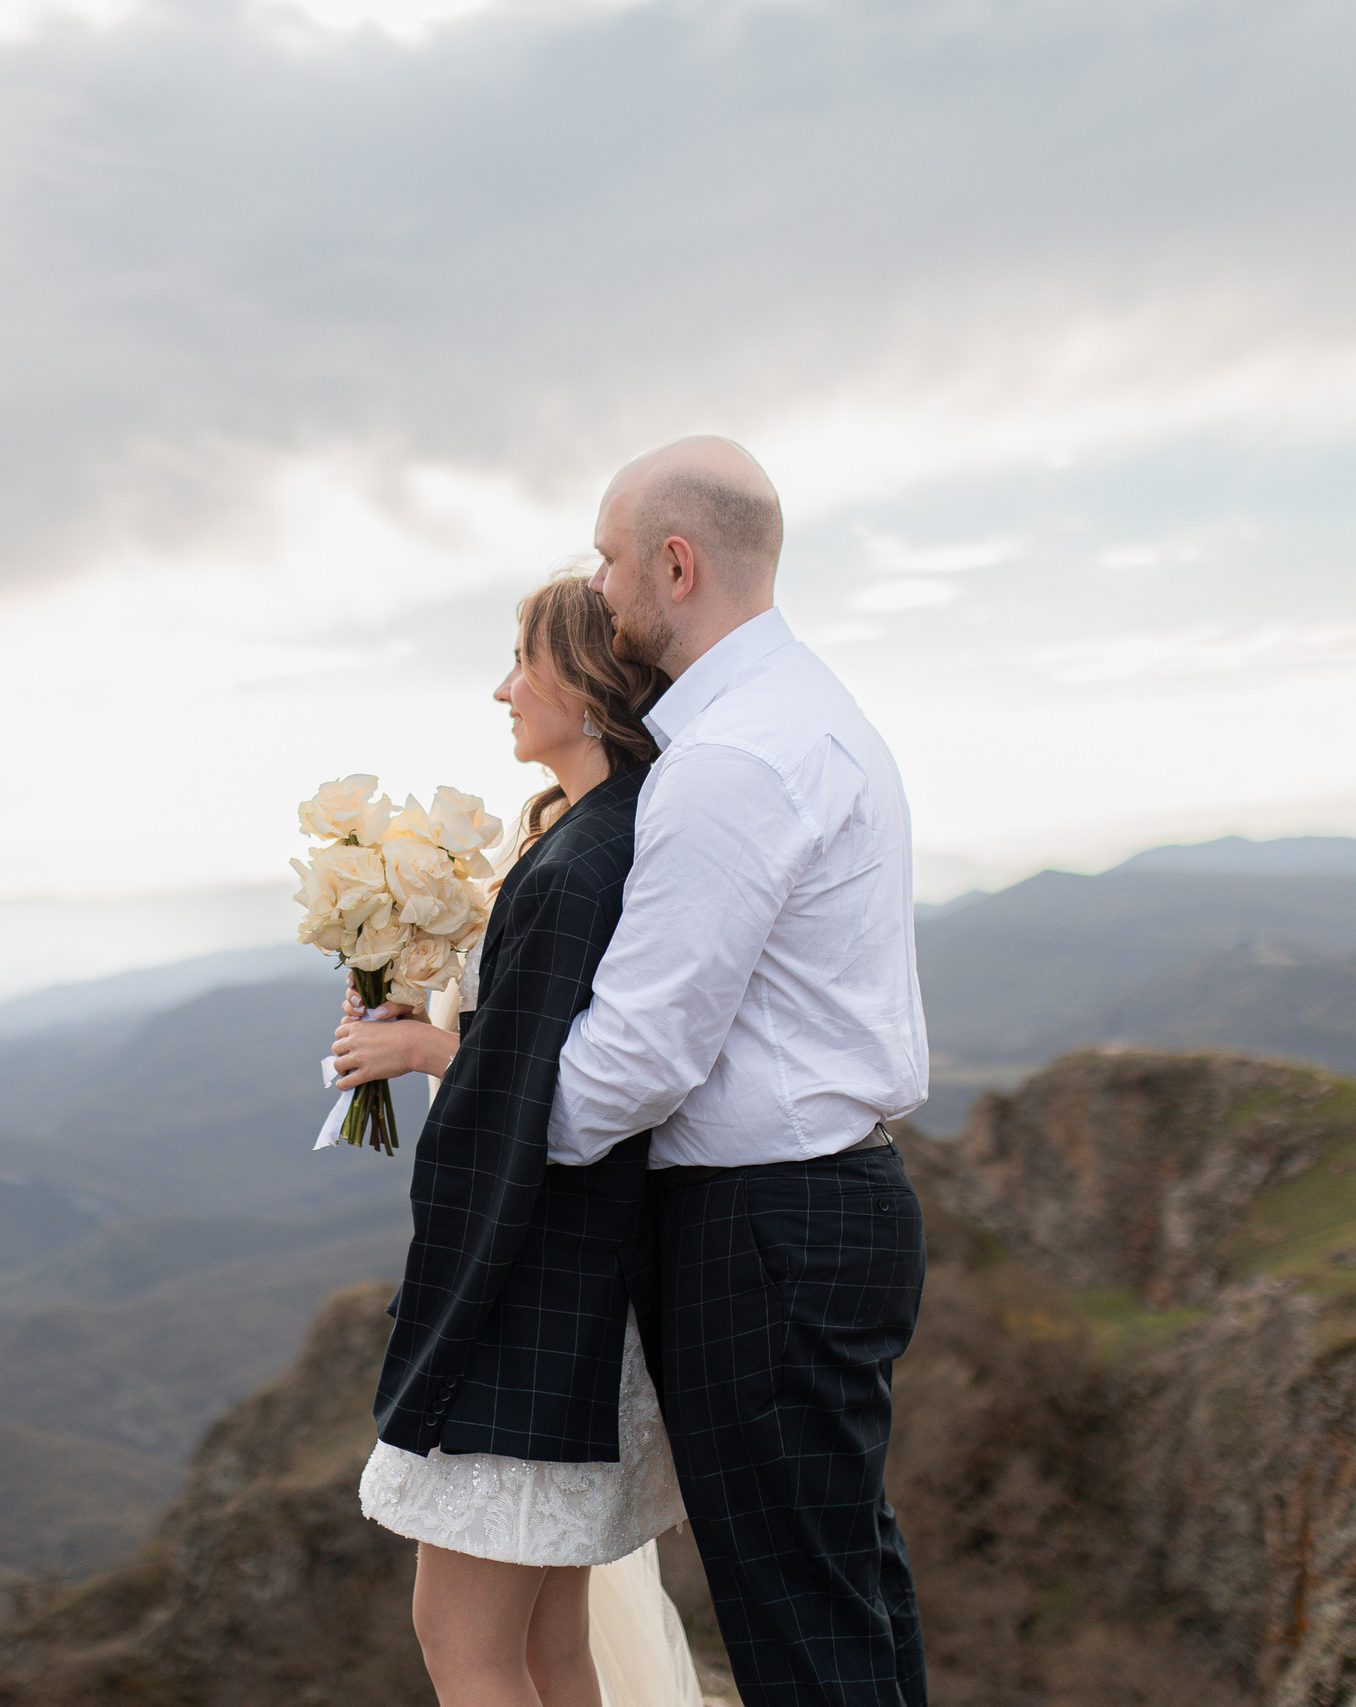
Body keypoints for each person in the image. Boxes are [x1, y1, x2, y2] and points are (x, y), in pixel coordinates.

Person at [554, 436, 932, 1707]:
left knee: (798, 1618)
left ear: (676, 562)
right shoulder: (808, 713)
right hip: (825, 1205)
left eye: (607, 560)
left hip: (760, 1228)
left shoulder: (729, 760)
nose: (596, 590)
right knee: (840, 1584)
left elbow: (639, 1053)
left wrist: (487, 1132)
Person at [330, 573, 703, 1707]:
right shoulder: (610, 831)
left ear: (588, 685)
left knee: (463, 1639)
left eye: (522, 662)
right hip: (588, 1278)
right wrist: (428, 1018)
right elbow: (551, 1039)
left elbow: (567, 1087)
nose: (502, 688)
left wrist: (429, 1057)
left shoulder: (585, 857)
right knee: (549, 1646)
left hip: (534, 1284)